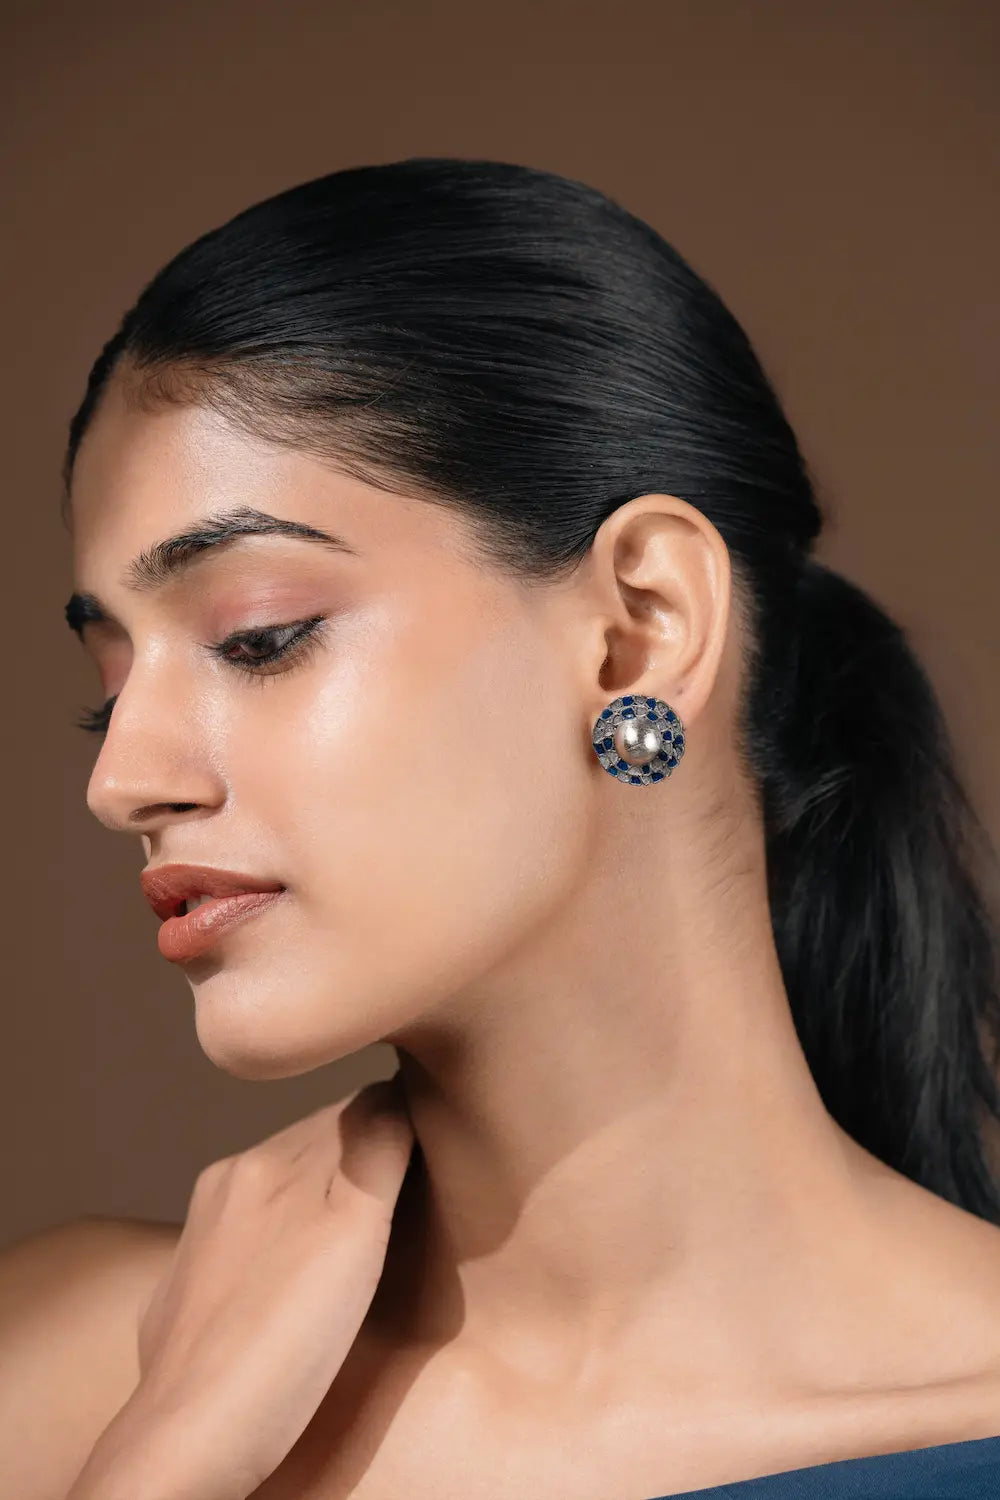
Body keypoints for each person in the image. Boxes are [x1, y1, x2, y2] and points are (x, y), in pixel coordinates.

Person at [6, 157, 1000, 1498]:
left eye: (258, 636)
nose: (122, 780)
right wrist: (159, 1464)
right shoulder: (67, 1377)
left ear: (639, 631)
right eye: (113, 687)